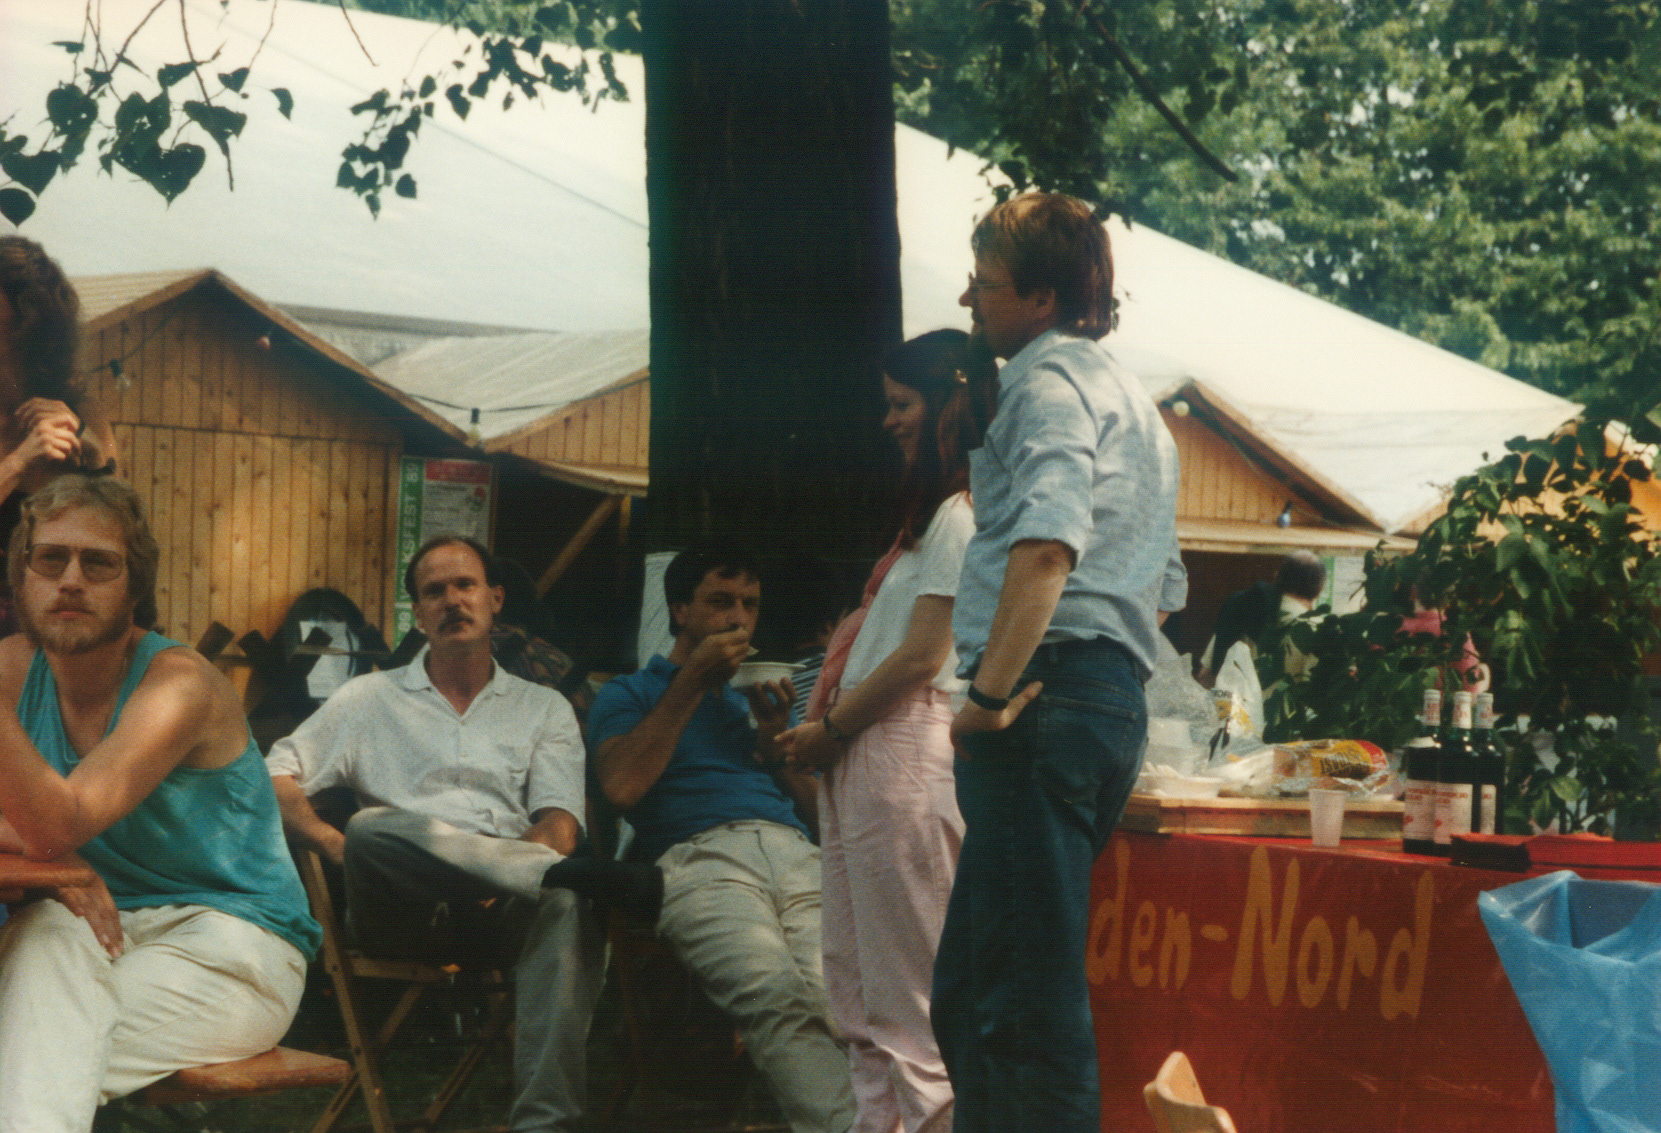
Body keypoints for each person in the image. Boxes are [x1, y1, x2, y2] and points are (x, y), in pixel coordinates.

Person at [935, 192, 1186, 1133]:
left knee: (1018, 1006)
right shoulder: (1135, 403)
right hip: (1096, 694)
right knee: (973, 991)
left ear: (1040, 297)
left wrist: (988, 692)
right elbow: (1165, 584)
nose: (967, 297)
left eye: (984, 282)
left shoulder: (1044, 385)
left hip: (1041, 696)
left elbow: (1047, 543)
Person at [266, 534, 656, 1133]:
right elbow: (272, 775)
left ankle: (545, 1124)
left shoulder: (542, 707)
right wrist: (332, 843)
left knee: (568, 904)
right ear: (419, 616)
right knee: (370, 827)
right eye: (435, 591)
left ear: (495, 600)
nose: (452, 600)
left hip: (502, 912)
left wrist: (516, 869)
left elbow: (558, 822)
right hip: (398, 909)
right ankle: (557, 877)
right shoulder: (368, 698)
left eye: (465, 585)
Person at [0, 475, 319, 1132]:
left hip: (229, 943)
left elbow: (59, 824)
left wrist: (48, 854)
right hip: (86, 926)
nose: (70, 580)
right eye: (50, 558)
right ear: (21, 578)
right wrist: (53, 868)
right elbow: (49, 842)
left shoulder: (179, 683)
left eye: (98, 563)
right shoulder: (13, 668)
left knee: (33, 1039)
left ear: (134, 588)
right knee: (42, 947)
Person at [778, 328, 992, 1133]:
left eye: (901, 404)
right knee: (857, 994)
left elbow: (923, 654)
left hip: (899, 746)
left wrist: (831, 728)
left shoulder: (961, 517)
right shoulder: (923, 524)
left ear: (947, 404)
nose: (889, 420)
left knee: (909, 1003)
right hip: (866, 754)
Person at [588, 549, 856, 1133]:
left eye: (749, 605)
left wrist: (776, 745)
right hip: (700, 858)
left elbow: (824, 820)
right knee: (775, 1000)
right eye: (720, 602)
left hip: (793, 850)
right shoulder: (628, 693)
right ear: (680, 609)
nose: (738, 619)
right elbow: (623, 787)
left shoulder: (752, 700)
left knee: (846, 1004)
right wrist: (689, 683)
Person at [1197, 550, 1327, 685]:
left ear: (1277, 576)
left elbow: (1205, 676)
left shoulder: (1242, 607)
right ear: (1320, 589)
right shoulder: (1321, 631)